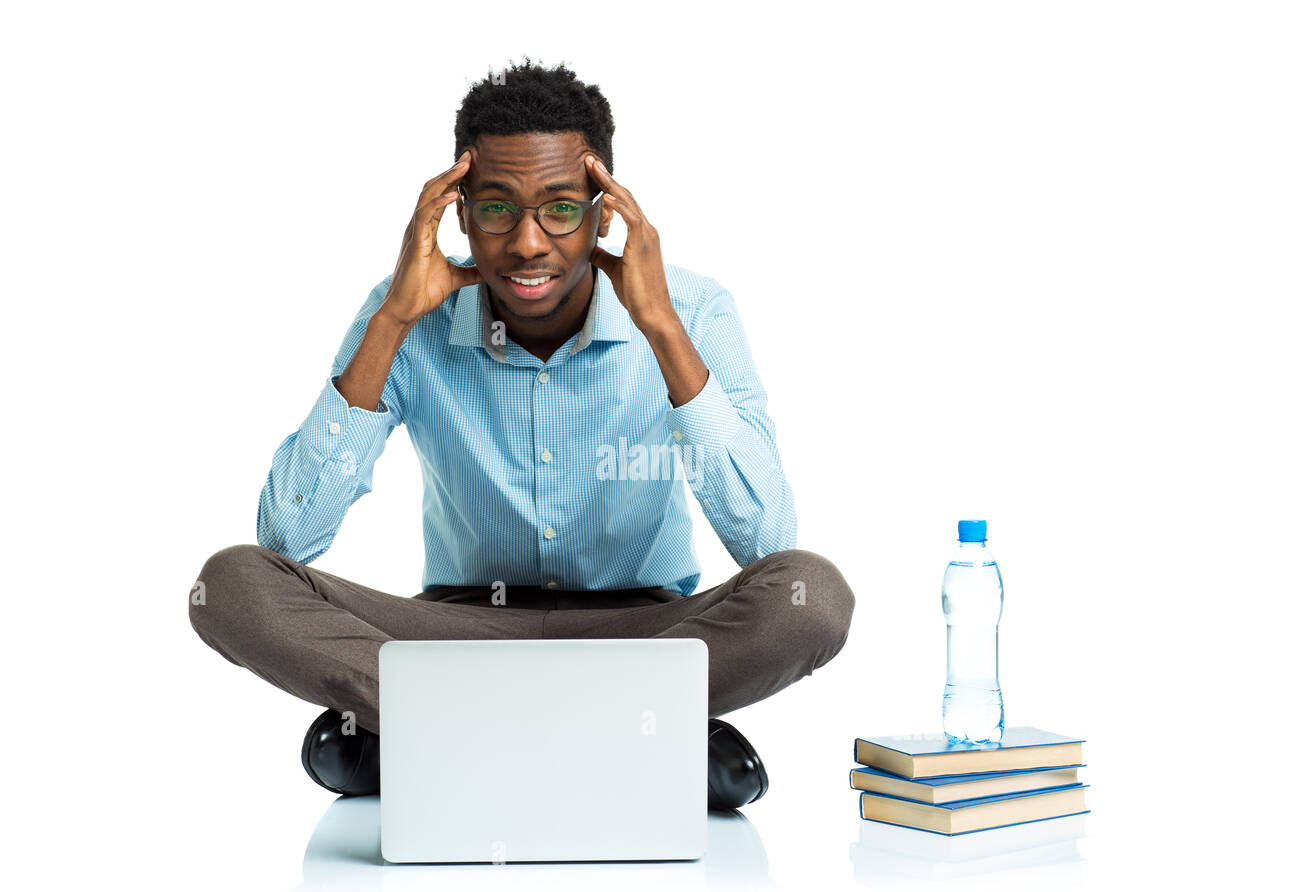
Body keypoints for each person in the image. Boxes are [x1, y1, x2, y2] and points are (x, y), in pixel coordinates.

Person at [189, 59, 854, 810]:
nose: (529, 243)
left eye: (561, 210)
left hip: (645, 632)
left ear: (606, 213)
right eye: (497, 209)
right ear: (460, 215)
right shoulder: (406, 310)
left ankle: (428, 733)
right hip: (455, 635)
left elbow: (771, 544)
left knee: (814, 599)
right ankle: (642, 733)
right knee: (232, 585)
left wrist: (662, 329)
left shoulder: (693, 311)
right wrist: (393, 324)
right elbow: (287, 536)